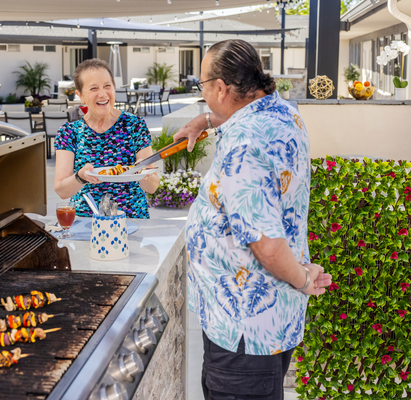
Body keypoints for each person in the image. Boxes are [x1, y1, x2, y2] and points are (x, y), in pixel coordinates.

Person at [173, 40, 333, 399]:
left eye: (202, 86)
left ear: (221, 88)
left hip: (244, 330)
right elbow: (240, 115)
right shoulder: (281, 112)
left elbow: (268, 246)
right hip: (270, 321)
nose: (203, 93)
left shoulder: (244, 143)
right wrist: (204, 120)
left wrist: (304, 278)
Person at [54, 58, 159, 218]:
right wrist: (81, 176)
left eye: (107, 86)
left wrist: (142, 172)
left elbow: (152, 187)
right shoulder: (69, 132)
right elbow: (62, 190)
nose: (102, 94)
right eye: (94, 88)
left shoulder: (134, 125)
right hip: (86, 222)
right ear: (80, 95)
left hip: (131, 220)